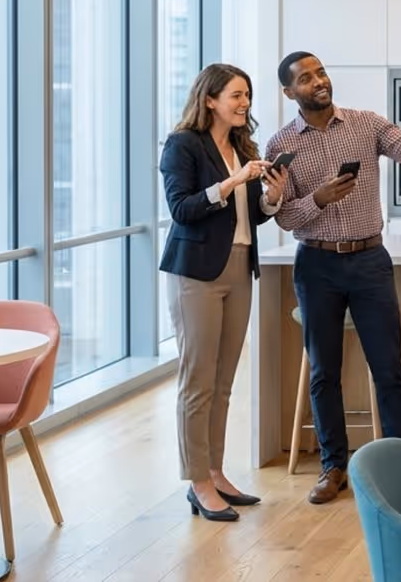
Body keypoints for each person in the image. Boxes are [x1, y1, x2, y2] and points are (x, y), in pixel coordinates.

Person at [266, 52, 401, 505]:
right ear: (290, 93)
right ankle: (334, 467)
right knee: (324, 372)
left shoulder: (366, 124)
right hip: (316, 264)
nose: (318, 82)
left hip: (370, 260)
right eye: (305, 79)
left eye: (321, 73)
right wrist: (319, 199)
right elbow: (282, 216)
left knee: (388, 368)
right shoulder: (280, 146)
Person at [159, 64, 287, 522]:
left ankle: (215, 471)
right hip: (195, 272)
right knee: (197, 382)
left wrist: (273, 195)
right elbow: (181, 209)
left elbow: (253, 213)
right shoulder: (182, 145)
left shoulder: (242, 147)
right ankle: (197, 482)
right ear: (209, 99)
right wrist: (233, 181)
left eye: (247, 95)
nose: (244, 102)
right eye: (236, 95)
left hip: (238, 266)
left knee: (224, 382)